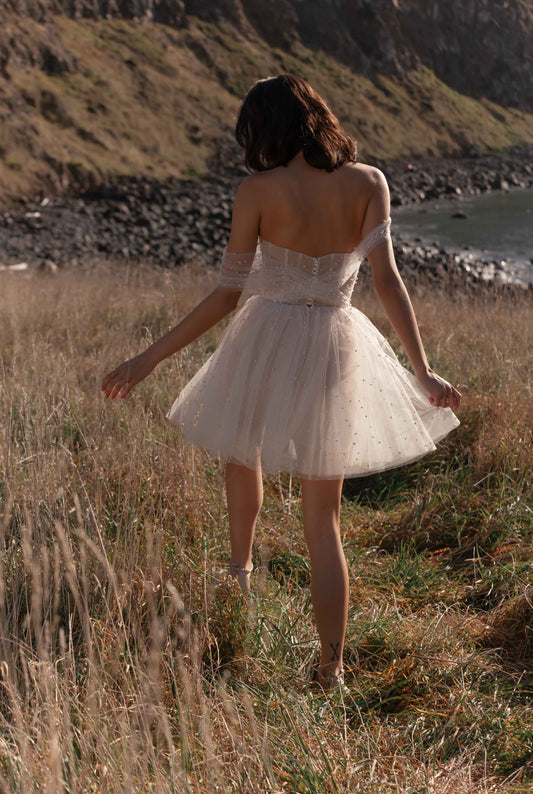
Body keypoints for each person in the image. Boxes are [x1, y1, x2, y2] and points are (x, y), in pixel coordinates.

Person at [102, 75, 461, 692]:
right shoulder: (369, 182)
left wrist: (148, 359)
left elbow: (225, 295)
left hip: (262, 339)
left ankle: (240, 572)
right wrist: (422, 370)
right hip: (335, 343)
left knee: (243, 453)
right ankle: (332, 669)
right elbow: (387, 281)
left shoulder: (258, 191)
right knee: (324, 521)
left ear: (269, 128)